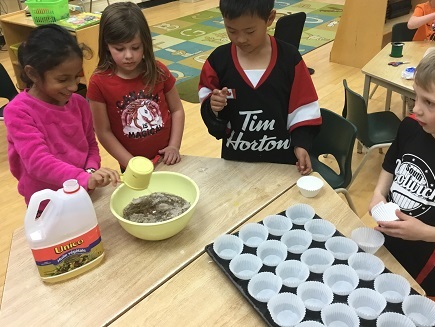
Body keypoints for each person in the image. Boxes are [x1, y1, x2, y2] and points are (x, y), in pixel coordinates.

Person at [198, 0, 321, 175]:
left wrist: (301, 144)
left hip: (283, 161)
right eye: (231, 30)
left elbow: (304, 107)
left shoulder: (289, 58)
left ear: (270, 18)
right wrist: (213, 106)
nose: (240, 39)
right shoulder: (218, 61)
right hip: (235, 161)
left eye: (250, 31)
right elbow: (207, 102)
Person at [3, 24, 120, 208]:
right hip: (47, 203)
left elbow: (90, 145)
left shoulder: (79, 103)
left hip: (83, 193)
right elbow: (38, 162)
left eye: (76, 77)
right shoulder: (18, 111)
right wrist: (83, 178)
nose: (74, 87)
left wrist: (90, 172)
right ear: (32, 73)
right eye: (62, 79)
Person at [87, 2, 185, 169]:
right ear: (106, 46)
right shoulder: (98, 82)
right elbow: (103, 132)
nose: (129, 56)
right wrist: (131, 163)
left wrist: (174, 146)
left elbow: (177, 110)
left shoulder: (159, 70)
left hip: (166, 158)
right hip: (131, 165)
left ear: (145, 43)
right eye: (119, 48)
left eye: (135, 47)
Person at [369, 51, 435, 297]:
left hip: (425, 267)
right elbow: (390, 164)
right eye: (416, 97)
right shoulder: (410, 127)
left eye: (429, 102)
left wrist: (426, 233)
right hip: (389, 244)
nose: (416, 109)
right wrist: (378, 192)